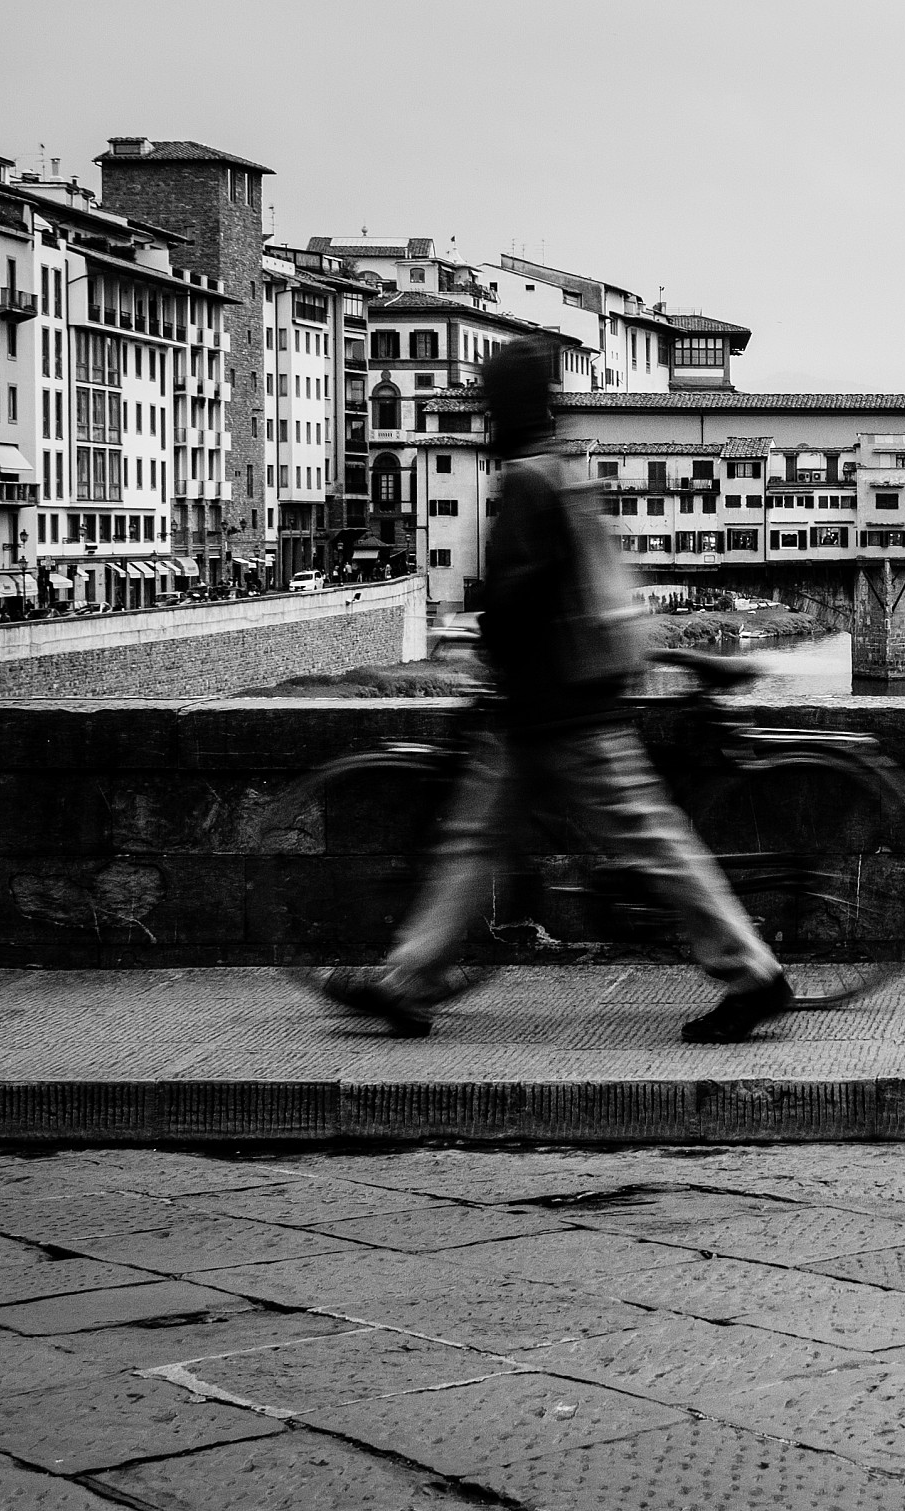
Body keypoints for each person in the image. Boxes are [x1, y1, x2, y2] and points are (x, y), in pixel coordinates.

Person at [315, 336, 791, 1043]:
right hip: (552, 701)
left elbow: (520, 591)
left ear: (505, 408)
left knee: (647, 840)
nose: (484, 419)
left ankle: (755, 973)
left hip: (562, 705)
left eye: (489, 405)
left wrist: (487, 640)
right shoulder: (562, 471)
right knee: (478, 840)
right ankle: (405, 981)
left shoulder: (531, 482)